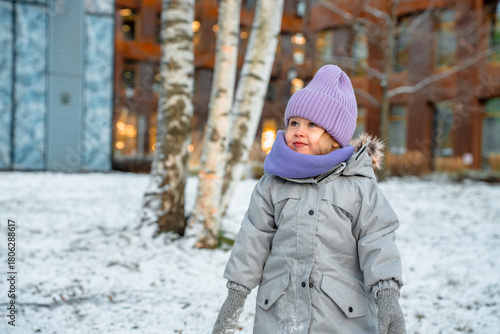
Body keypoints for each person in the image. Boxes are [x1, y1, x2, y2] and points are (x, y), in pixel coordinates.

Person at [212, 65, 405, 334]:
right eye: (294, 123)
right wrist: (236, 295)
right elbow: (253, 239)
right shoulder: (272, 184)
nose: (299, 131)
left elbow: (378, 239)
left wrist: (387, 294)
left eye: (312, 125)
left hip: (340, 319)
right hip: (280, 314)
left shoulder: (358, 186)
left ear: (336, 139)